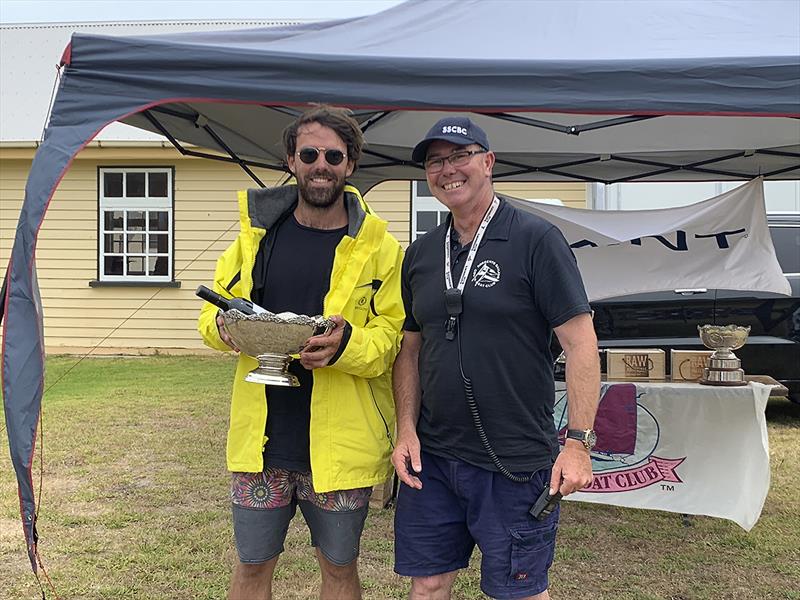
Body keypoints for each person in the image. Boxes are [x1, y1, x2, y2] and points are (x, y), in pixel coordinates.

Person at [198, 105, 405, 600]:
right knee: (251, 568)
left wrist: (346, 347)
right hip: (262, 441)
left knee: (338, 571)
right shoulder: (256, 237)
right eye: (309, 153)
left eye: (334, 155)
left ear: (350, 165)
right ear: (291, 159)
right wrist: (225, 329)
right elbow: (212, 313)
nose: (321, 164)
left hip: (341, 444)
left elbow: (392, 340)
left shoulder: (381, 247)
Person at [392, 116, 600, 600]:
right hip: (434, 456)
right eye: (435, 162)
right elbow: (410, 346)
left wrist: (578, 443)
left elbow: (581, 342)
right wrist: (405, 428)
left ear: (487, 162)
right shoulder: (421, 254)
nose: (448, 170)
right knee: (427, 582)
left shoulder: (535, 239)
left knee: (517, 592)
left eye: (459, 156)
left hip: (515, 459)